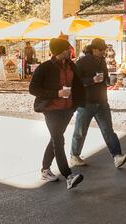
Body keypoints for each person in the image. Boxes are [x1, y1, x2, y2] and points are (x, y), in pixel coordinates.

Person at [29, 38, 86, 190]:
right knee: (58, 140)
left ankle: (45, 170)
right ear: (61, 51)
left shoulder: (71, 65)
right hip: (51, 110)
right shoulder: (45, 67)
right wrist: (57, 93)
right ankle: (68, 176)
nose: (70, 51)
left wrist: (76, 104)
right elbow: (33, 89)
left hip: (67, 110)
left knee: (55, 139)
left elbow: (78, 85)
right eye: (68, 49)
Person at [70, 38, 126, 168]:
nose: (104, 52)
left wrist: (114, 80)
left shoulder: (102, 61)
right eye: (101, 49)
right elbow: (76, 81)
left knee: (108, 130)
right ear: (94, 49)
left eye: (105, 49)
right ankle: (74, 155)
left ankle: (117, 156)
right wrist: (92, 80)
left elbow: (106, 79)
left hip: (102, 101)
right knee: (80, 131)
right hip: (86, 102)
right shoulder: (82, 62)